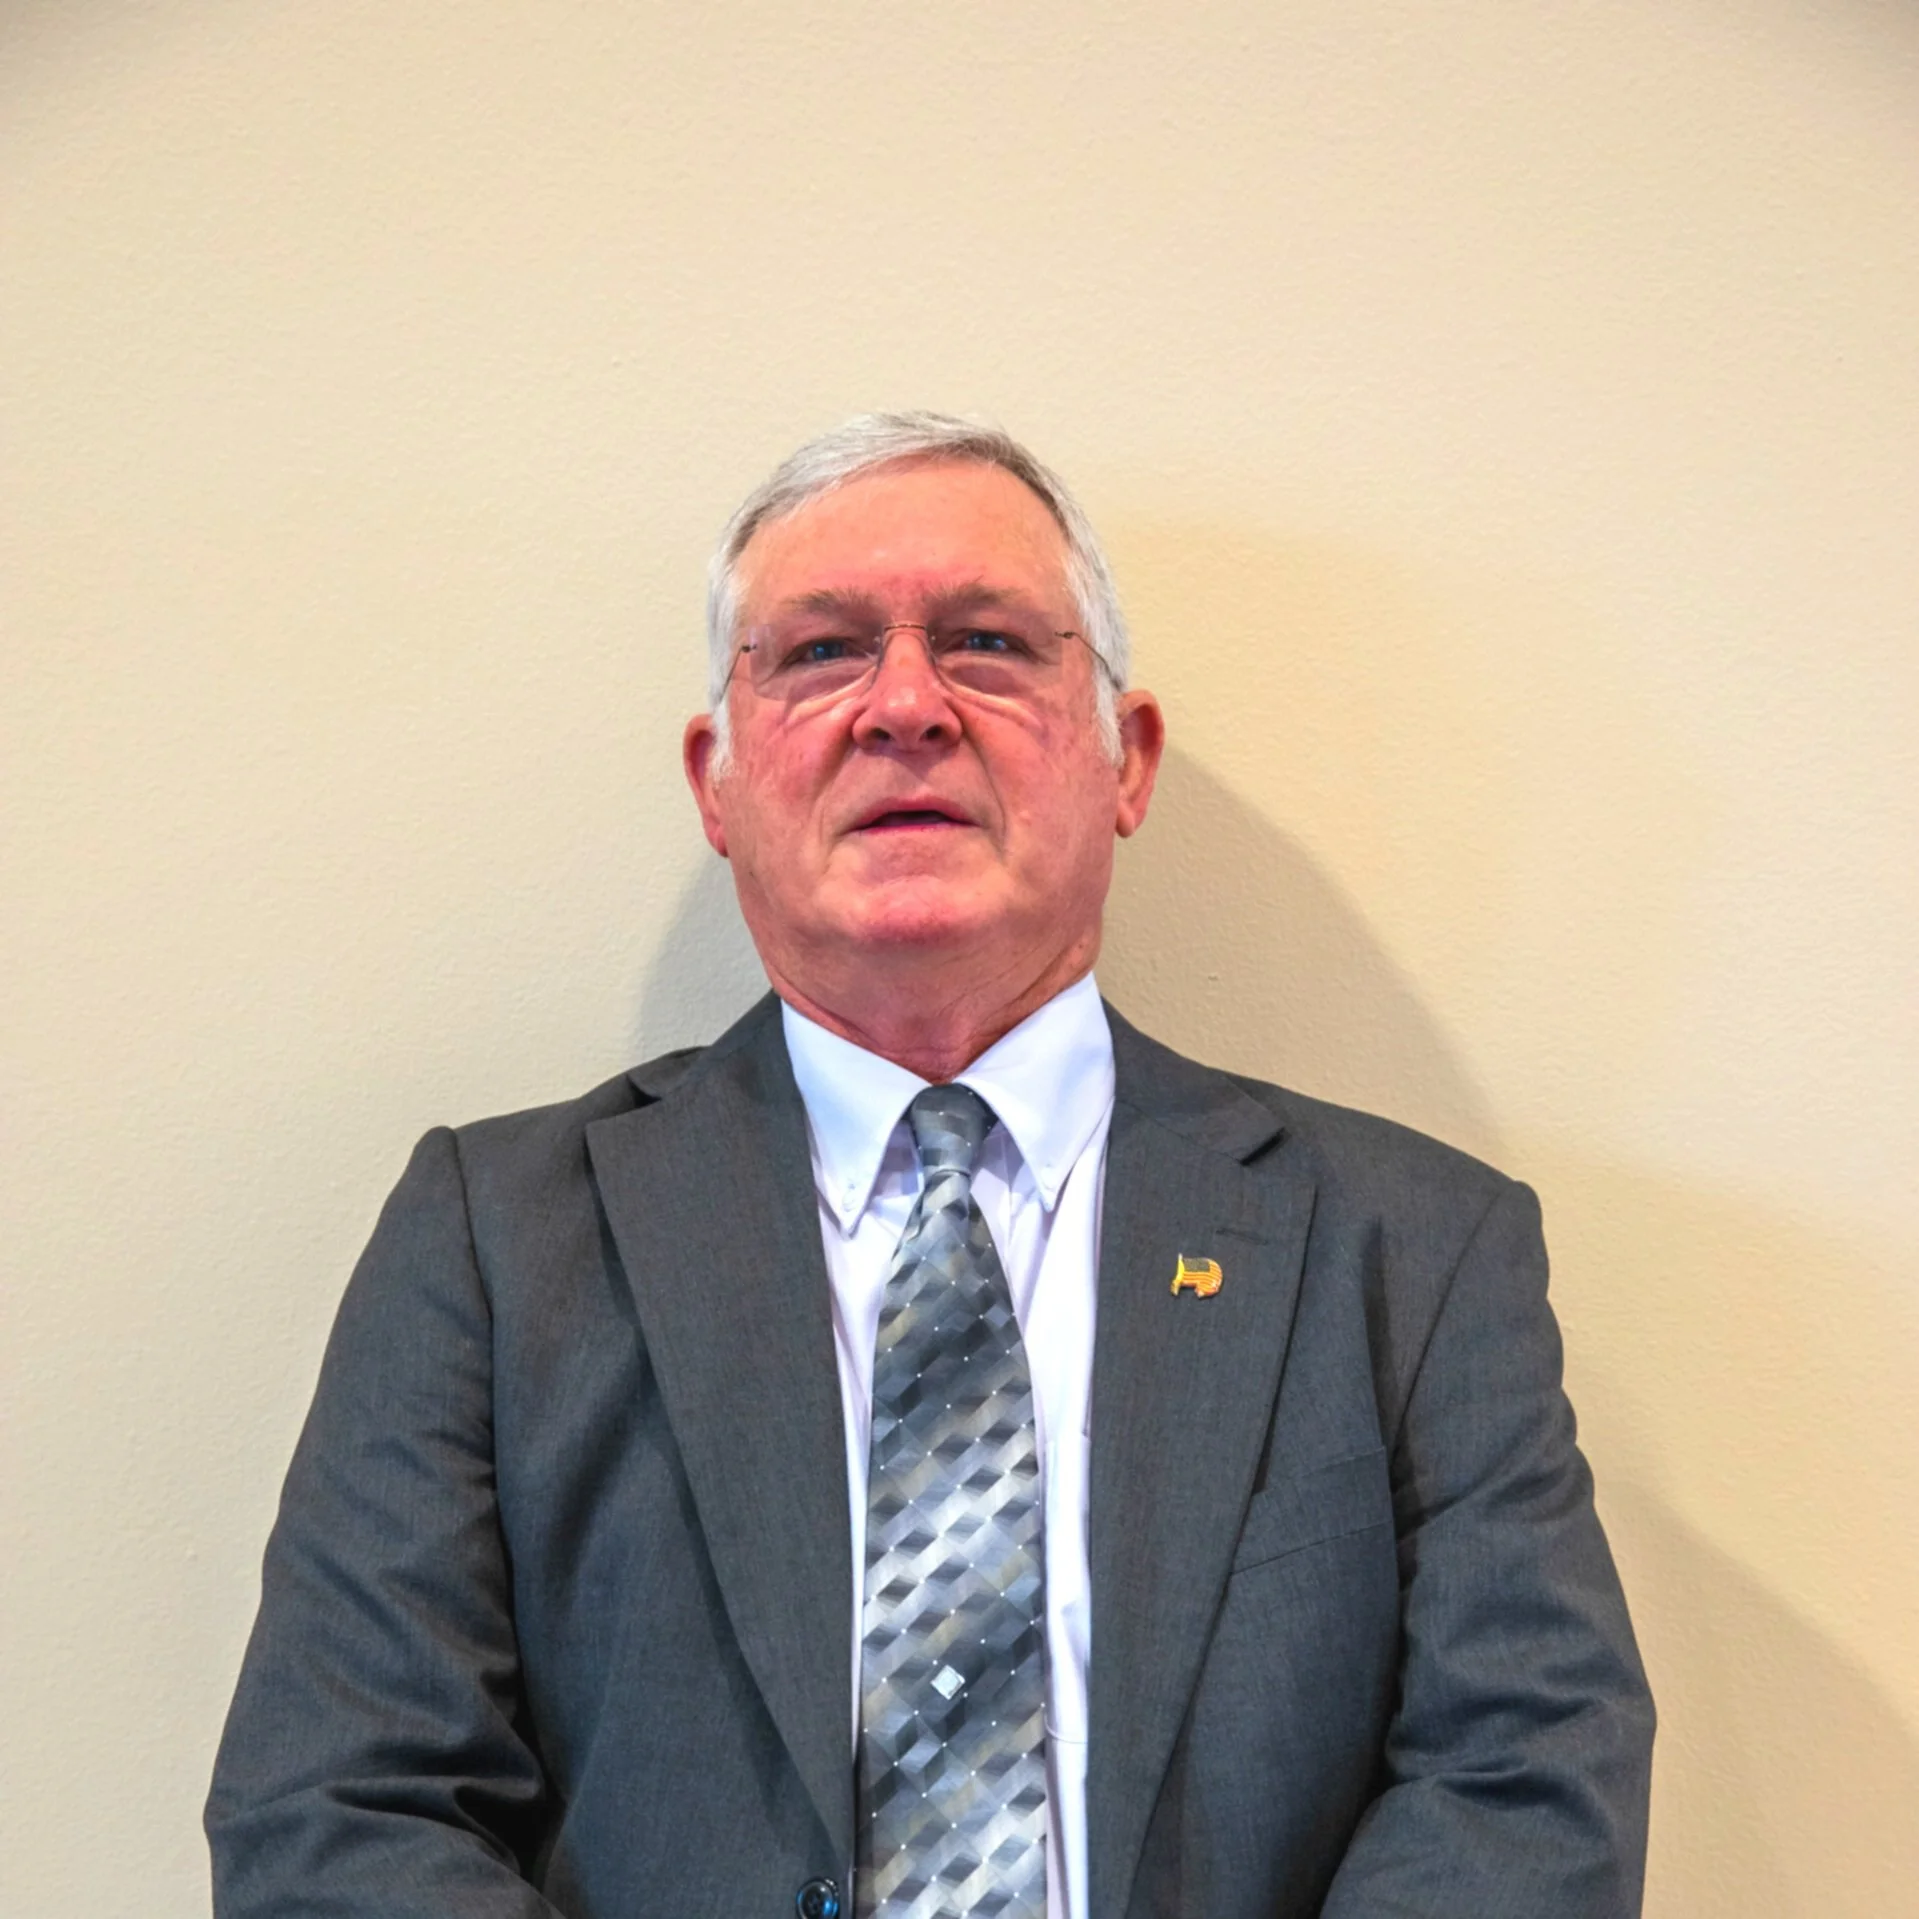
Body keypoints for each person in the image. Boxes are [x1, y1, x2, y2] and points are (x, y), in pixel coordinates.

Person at [207, 413, 1654, 1919]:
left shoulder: (1412, 1251)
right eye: (822, 651)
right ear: (716, 783)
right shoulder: (496, 1246)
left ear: (1126, 759)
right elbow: (338, 1812)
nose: (905, 706)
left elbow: (1529, 1784)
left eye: (988, 643)